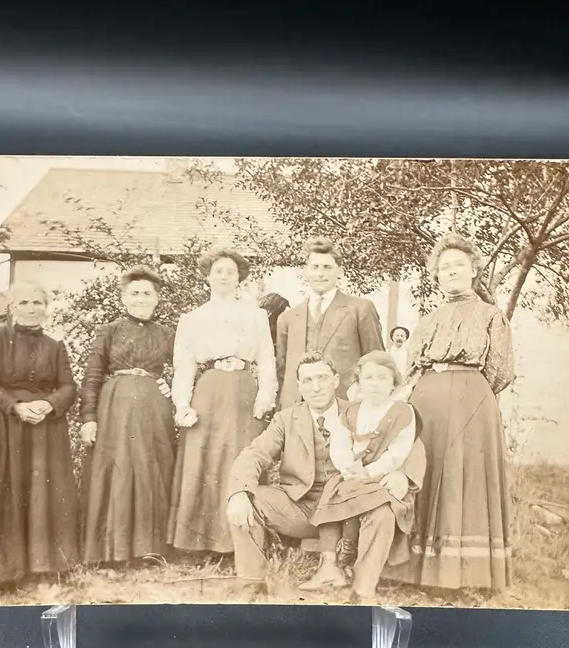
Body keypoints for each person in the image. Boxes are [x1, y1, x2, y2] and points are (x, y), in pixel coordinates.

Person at [225, 351, 426, 601]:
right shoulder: (286, 419)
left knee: (383, 511)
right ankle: (251, 583)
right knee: (249, 499)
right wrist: (239, 492)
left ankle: (362, 591)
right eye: (307, 381)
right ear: (298, 386)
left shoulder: (362, 410)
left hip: (353, 508)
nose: (316, 387)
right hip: (302, 507)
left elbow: (412, 444)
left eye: (322, 378)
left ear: (335, 380)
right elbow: (254, 454)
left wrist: (402, 475)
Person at [388, 233, 515, 592]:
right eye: (444, 268)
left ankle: (467, 575)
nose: (451, 272)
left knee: (466, 476)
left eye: (458, 265)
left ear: (474, 269)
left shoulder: (492, 316)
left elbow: (499, 371)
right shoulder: (427, 320)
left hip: (471, 403)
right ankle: (416, 571)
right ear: (437, 277)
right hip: (428, 402)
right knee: (426, 472)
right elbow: (412, 369)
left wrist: (467, 391)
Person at [167, 248, 278, 556]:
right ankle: (199, 544)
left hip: (243, 389)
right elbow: (184, 364)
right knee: (205, 462)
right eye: (218, 271)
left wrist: (265, 397)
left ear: (239, 277)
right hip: (209, 389)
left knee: (240, 459)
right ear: (207, 276)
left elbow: (267, 360)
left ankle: (242, 543)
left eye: (230, 271)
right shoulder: (192, 318)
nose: (225, 276)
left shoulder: (256, 315)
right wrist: (183, 404)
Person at [0, 281, 79, 588]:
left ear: (46, 308)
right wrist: (15, 406)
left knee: (43, 494)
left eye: (38, 303)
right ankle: (2, 573)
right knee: (2, 494)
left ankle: (45, 566)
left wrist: (49, 403)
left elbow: (69, 387)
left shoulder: (55, 345)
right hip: (2, 427)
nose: (31, 309)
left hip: (45, 430)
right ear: (12, 307)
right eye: (24, 303)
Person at [300, 350, 421, 591]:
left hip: (381, 477)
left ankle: (360, 577)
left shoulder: (402, 412)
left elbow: (399, 451)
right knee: (335, 494)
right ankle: (334, 563)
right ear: (358, 382)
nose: (375, 384)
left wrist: (370, 471)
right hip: (352, 475)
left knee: (377, 508)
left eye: (382, 378)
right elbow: (340, 442)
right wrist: (348, 468)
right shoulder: (351, 412)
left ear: (393, 383)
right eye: (369, 378)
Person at [78, 266, 175, 565]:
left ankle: (150, 549)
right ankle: (111, 550)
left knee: (152, 470)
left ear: (157, 299)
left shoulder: (167, 334)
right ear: (123, 297)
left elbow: (187, 369)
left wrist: (171, 386)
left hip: (153, 408)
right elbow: (92, 376)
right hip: (115, 407)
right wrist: (88, 418)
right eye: (134, 293)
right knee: (117, 470)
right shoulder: (108, 331)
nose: (141, 299)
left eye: (147, 294)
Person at [276, 237, 385, 410]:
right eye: (315, 267)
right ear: (305, 272)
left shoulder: (360, 309)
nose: (320, 273)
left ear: (339, 271)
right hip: (297, 410)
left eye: (327, 267)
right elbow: (281, 371)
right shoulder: (288, 318)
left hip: (346, 408)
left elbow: (377, 363)